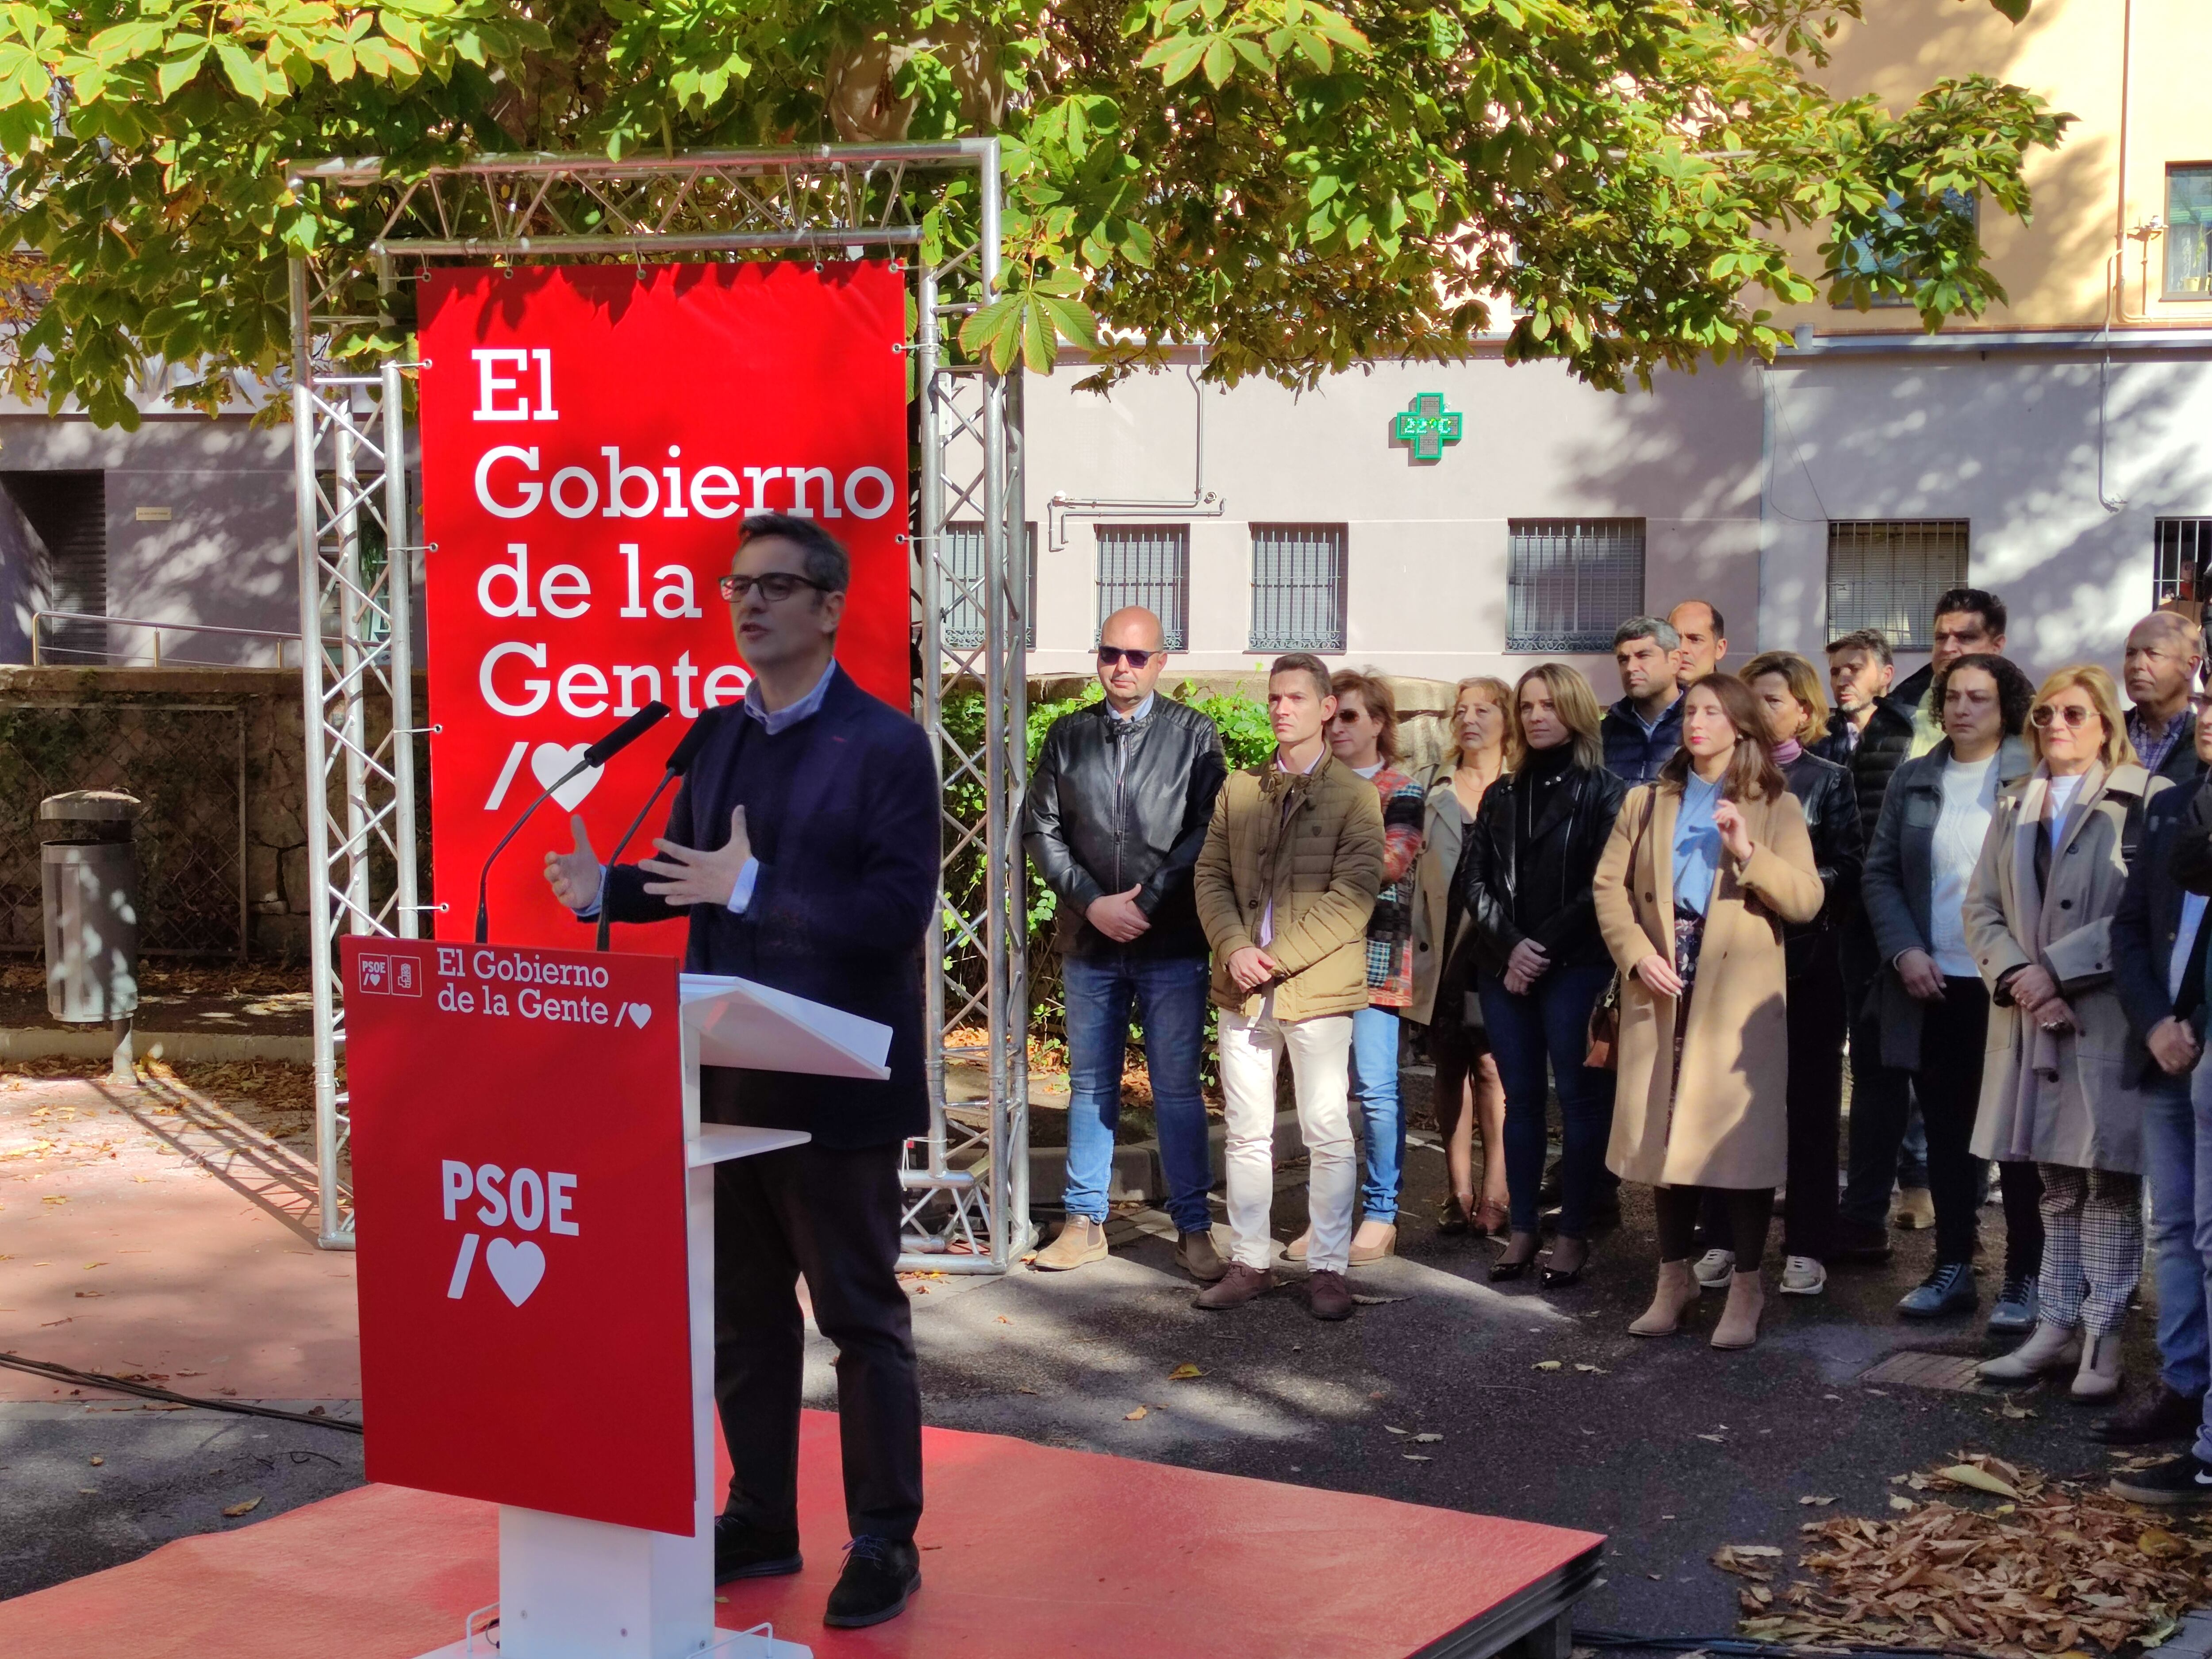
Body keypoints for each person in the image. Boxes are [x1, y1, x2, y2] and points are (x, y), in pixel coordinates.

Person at [544, 513, 936, 1628]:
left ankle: (885, 1540)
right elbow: (689, 877)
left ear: (828, 607)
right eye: (736, 587)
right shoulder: (716, 736)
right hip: (725, 1083)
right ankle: (761, 1512)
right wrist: (604, 889)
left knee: (859, 1317)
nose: (749, 604)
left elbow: (895, 913)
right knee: (746, 1318)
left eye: (775, 586)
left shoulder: (886, 744)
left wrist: (751, 890)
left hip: (837, 1083)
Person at [1595, 673, 1825, 1350]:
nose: (1697, 723)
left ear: (1742, 725)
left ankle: (1748, 1284)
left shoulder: (1775, 803)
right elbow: (1609, 888)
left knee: (1737, 1141)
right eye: (1690, 711)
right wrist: (1636, 954)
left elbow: (1808, 900)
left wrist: (1748, 851)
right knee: (1666, 1134)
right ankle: (1673, 1279)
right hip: (1663, 977)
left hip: (1738, 990)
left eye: (1713, 713)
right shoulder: (1647, 800)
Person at [1974, 664, 2166, 1401]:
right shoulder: (2016, 801)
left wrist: (2054, 970)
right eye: (2048, 715)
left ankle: (2105, 1336)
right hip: (2031, 1021)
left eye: (2076, 714)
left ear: (2105, 725)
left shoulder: (2142, 797)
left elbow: (2146, 913)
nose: (2058, 726)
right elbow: (1981, 905)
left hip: (2109, 1016)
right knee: (2054, 1183)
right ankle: (2054, 1326)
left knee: (2111, 1181)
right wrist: (2021, 976)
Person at [1022, 605, 1229, 1280]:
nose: (1122, 667)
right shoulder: (1067, 734)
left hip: (1169, 941)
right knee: (1089, 1085)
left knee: (1175, 1089)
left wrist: (1146, 901)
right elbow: (1041, 829)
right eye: (1112, 653)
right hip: (1092, 941)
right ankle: (1084, 1222)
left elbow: (1207, 831)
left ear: (1162, 663)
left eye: (1138, 656)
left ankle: (1194, 1226)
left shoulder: (1197, 735)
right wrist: (1091, 901)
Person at [1191, 653, 1384, 1321]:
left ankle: (1328, 1267)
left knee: (1327, 1129)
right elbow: (1209, 875)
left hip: (1316, 988)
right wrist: (1235, 947)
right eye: (1274, 698)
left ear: (1327, 707)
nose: (1281, 708)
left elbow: (1353, 897)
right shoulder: (1240, 788)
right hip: (1241, 986)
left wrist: (1270, 958)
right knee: (1246, 1130)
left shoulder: (1356, 795)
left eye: (1296, 698)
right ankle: (1251, 1260)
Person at [1858, 653, 2043, 1326]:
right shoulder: (1915, 778)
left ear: (2006, 706)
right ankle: (1953, 1266)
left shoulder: (2035, 774)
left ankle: (2026, 1278)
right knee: (1948, 1134)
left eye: (1980, 699)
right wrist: (1905, 950)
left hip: (2012, 985)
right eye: (1953, 698)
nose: (1963, 709)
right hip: (1936, 983)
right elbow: (1878, 875)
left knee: (2018, 1140)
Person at [1828, 593, 2008, 1263]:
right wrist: (1892, 936)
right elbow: (1871, 835)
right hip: (1890, 934)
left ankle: (1993, 1258)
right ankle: (1866, 1221)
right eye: (1940, 636)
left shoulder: (2023, 736)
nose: (1949, 648)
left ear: (1997, 641)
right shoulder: (1897, 717)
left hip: (1991, 955)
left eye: (1965, 636)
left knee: (1978, 1106)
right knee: (1881, 1078)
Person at [1685, 651, 1859, 1300]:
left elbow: (1843, 872)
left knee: (1810, 1108)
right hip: (1726, 969)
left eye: (1773, 700)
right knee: (1723, 1102)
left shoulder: (1826, 779)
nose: (1757, 711)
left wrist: (1779, 891)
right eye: (1749, 699)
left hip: (1805, 963)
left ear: (1805, 712)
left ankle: (1809, 1242)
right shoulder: (1711, 780)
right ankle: (1723, 1237)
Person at [1457, 664, 1627, 1286]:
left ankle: (1574, 1229)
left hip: (1575, 964)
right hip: (1506, 965)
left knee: (1581, 1103)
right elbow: (1474, 880)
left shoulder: (1607, 792)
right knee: (1521, 1099)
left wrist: (1541, 948)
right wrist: (1512, 945)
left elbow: (1601, 886)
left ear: (1576, 711)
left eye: (1549, 705)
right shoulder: (1503, 793)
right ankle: (1524, 1226)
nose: (1535, 716)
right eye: (1527, 706)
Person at [1281, 669, 1425, 1265]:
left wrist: (1324, 866)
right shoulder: (1305, 780)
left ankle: (1382, 1211)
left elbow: (1393, 861)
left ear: (1379, 725)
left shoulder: (1401, 787)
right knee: (1322, 1094)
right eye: (1334, 715)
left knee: (1376, 1087)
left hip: (1375, 958)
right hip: (1314, 959)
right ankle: (1328, 1215)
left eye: (1352, 718)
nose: (1338, 727)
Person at [2102, 708, 2212, 1458]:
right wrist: (2153, 1024)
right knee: (2170, 1228)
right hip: (2163, 1051)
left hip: (2208, 1050)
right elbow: (2129, 928)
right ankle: (2182, 1381)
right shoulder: (2173, 802)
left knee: (2210, 1235)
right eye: (2207, 700)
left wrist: (2195, 1026)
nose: (2207, 716)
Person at [1409, 677, 1512, 1237]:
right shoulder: (1431, 786)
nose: (1469, 719)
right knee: (1448, 1066)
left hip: (1497, 947)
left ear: (1507, 719)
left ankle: (1497, 1188)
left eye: (1484, 709)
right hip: (1442, 947)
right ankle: (1457, 1190)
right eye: (1461, 710)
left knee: (1494, 1067)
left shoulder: (1520, 785)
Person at [2124, 611, 2206, 788]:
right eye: (2131, 653)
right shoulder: (2105, 733)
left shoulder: (2205, 740)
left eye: (2153, 654)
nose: (2137, 665)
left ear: (2190, 666)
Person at [1601, 616, 1686, 785]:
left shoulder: (1700, 725)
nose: (1631, 668)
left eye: (1643, 656)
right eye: (1623, 660)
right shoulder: (1605, 731)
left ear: (1675, 661)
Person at [1668, 600, 1729, 688]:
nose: (1683, 648)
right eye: (1675, 638)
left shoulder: (1736, 700)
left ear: (1720, 649)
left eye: (1695, 640)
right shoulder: (1645, 699)